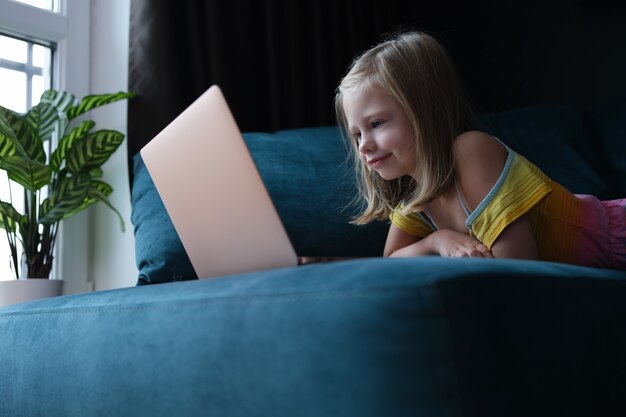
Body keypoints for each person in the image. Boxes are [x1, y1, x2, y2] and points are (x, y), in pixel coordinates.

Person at [334, 30, 626, 269]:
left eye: (377, 123)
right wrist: (437, 241)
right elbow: (389, 263)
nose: (364, 146)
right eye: (356, 134)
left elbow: (520, 268)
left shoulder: (471, 150)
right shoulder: (418, 196)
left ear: (426, 112)